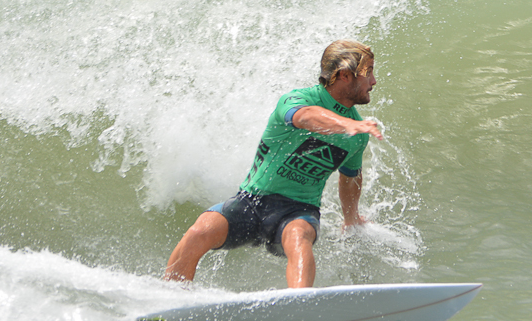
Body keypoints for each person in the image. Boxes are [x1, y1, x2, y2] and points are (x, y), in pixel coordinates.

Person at [163, 40, 382, 288]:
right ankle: (168, 300)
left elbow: (350, 177)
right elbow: (305, 117)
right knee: (200, 230)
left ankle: (298, 311)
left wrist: (351, 218)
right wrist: (346, 125)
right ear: (344, 75)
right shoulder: (297, 99)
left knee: (299, 238)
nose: (373, 81)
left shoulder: (358, 133)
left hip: (299, 211)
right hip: (251, 202)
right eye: (369, 72)